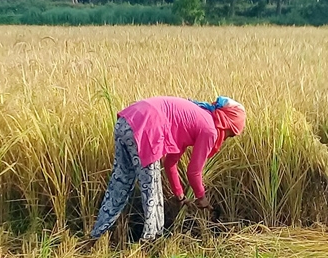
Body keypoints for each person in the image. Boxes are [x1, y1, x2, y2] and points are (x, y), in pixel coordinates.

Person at [90, 96, 246, 240]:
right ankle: (150, 241)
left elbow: (170, 163)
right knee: (152, 189)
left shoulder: (194, 119)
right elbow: (194, 172)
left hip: (126, 121)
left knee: (120, 181)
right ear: (225, 123)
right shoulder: (209, 130)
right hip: (146, 125)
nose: (226, 138)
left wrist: (179, 194)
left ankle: (97, 234)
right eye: (230, 134)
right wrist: (202, 198)